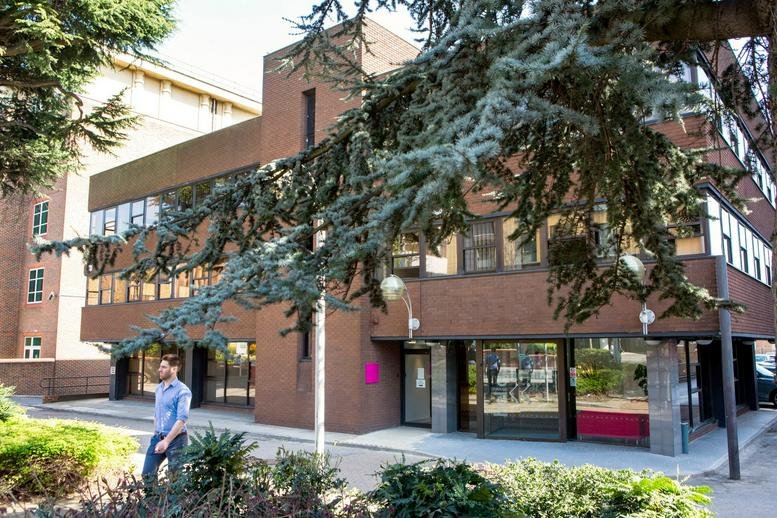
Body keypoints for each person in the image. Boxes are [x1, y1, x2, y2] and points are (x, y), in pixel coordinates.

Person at [142, 353, 192, 481]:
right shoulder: (159, 388)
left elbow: (182, 419)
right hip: (158, 437)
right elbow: (157, 414)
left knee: (175, 479)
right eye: (160, 366)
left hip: (177, 440)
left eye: (164, 367)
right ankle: (152, 495)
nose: (159, 369)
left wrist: (167, 441)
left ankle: (172, 495)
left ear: (174, 369)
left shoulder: (183, 391)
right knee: (147, 474)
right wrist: (156, 434)